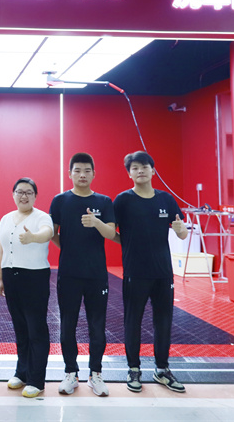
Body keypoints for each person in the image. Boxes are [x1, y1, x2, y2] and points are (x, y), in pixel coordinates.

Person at [114, 151, 188, 394]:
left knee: (163, 321)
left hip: (163, 272)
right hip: (135, 271)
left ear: (153, 170)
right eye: (135, 168)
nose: (140, 171)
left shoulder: (166, 199)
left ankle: (162, 369)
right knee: (132, 321)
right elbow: (112, 231)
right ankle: (133, 369)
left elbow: (182, 233)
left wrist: (181, 229)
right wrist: (127, 243)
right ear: (129, 173)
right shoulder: (123, 200)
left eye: (144, 166)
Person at [49, 153, 116, 397]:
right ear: (70, 174)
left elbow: (111, 233)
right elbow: (52, 233)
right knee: (67, 325)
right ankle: (71, 372)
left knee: (97, 326)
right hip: (69, 274)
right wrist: (68, 248)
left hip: (96, 274)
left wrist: (96, 222)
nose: (82, 175)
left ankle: (95, 373)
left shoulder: (104, 201)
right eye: (77, 170)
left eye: (87, 170)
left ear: (94, 174)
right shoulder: (60, 201)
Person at [0, 178, 53, 399]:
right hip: (11, 277)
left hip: (34, 278)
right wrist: (1, 278)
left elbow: (47, 233)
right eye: (19, 192)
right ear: (13, 194)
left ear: (35, 196)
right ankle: (21, 372)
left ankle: (36, 380)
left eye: (29, 192)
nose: (24, 196)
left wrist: (33, 238)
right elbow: (1, 249)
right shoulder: (5, 219)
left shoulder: (42, 217)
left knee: (36, 329)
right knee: (20, 328)